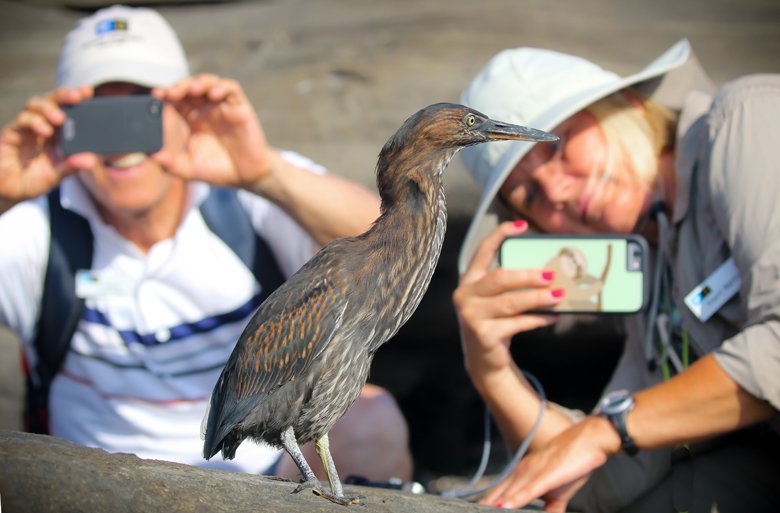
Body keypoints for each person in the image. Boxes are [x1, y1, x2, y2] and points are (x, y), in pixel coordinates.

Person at [0, 5, 412, 483]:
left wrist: (263, 173)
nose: (122, 142)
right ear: (62, 126)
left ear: (183, 109)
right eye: (99, 116)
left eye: (141, 110)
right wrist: (4, 189)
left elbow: (396, 244)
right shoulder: (38, 229)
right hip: (90, 480)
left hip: (262, 470)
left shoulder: (247, 199)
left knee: (371, 422)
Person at [453, 39, 780, 512]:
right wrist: (490, 367)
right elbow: (594, 486)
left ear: (625, 104)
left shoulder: (744, 121)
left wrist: (611, 427)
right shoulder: (654, 281)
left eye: (556, 145)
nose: (556, 191)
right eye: (530, 197)